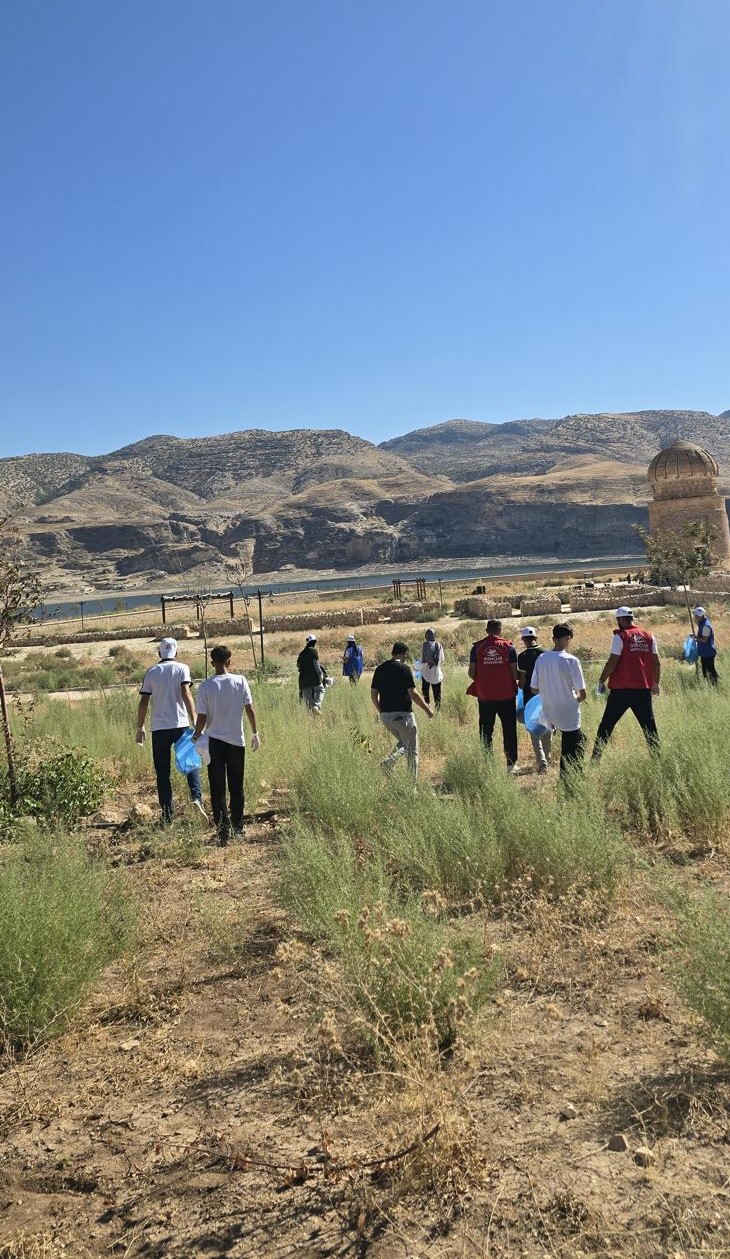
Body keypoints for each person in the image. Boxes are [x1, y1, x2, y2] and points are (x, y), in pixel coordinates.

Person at [192, 644, 260, 845]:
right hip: (236, 741)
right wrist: (255, 732)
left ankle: (223, 830)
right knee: (236, 786)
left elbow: (202, 717)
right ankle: (238, 827)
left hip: (214, 742)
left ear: (212, 663)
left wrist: (196, 735)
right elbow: (249, 708)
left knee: (217, 787)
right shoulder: (240, 681)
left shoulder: (205, 687)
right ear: (229, 661)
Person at [135, 636, 207, 825]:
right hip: (181, 725)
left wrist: (140, 726)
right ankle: (196, 799)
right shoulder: (182, 668)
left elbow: (144, 701)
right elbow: (186, 693)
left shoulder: (151, 672)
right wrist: (195, 720)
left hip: (159, 728)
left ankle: (167, 814)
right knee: (190, 765)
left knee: (163, 772)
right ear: (176, 653)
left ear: (159, 653)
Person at [592, 607, 660, 759]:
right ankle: (657, 759)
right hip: (642, 690)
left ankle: (595, 759)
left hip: (620, 691)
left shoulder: (620, 636)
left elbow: (612, 661)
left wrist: (602, 680)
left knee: (606, 726)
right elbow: (656, 662)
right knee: (650, 728)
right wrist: (656, 682)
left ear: (621, 620)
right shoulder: (649, 637)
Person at [530, 624, 587, 779]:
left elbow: (534, 688)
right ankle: (567, 779)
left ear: (553, 639)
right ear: (568, 638)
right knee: (570, 748)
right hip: (568, 710)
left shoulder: (542, 659)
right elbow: (582, 693)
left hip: (548, 708)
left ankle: (576, 772)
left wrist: (549, 693)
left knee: (580, 740)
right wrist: (576, 699)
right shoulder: (571, 660)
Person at [371, 641, 433, 778]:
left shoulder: (379, 669)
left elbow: (373, 695)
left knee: (405, 743)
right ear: (405, 654)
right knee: (412, 751)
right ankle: (411, 787)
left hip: (386, 717)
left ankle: (390, 762)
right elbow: (413, 694)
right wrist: (428, 710)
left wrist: (381, 712)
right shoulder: (404, 669)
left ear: (392, 653)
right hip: (403, 717)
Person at [467, 619, 519, 768]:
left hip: (485, 696)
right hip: (506, 696)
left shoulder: (477, 648)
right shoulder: (509, 647)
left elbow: (471, 673)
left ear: (486, 631)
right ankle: (511, 765)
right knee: (509, 730)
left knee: (486, 731)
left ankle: (488, 764)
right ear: (500, 630)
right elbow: (514, 674)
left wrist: (485, 679)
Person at [517, 626, 551, 772]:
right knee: (547, 728)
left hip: (530, 698)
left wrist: (519, 689)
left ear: (523, 639)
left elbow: (523, 680)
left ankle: (541, 761)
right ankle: (547, 757)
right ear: (536, 638)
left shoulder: (522, 656)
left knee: (533, 729)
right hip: (546, 696)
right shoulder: (546, 654)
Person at [297, 634, 328, 712]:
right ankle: (316, 706)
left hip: (303, 680)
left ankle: (312, 715)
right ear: (314, 642)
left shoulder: (302, 653)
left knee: (308, 701)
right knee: (321, 690)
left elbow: (298, 665)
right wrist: (321, 675)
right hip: (314, 678)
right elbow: (316, 665)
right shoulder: (313, 651)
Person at [693, 606, 719, 685]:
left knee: (710, 672)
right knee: (706, 671)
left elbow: (704, 640)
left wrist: (695, 638)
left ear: (699, 616)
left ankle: (714, 685)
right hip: (705, 652)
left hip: (708, 652)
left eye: (695, 615)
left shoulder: (705, 626)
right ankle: (712, 684)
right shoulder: (703, 622)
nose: (694, 617)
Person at [420, 628, 444, 710]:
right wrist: (435, 664)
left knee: (425, 691)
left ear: (426, 636)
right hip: (436, 673)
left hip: (425, 672)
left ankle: (427, 708)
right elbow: (442, 659)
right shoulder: (439, 645)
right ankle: (438, 710)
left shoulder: (424, 645)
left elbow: (422, 659)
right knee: (437, 693)